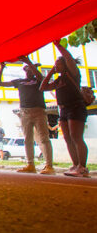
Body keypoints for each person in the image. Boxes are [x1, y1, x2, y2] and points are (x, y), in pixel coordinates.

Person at [0, 58, 54, 174]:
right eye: (26, 69)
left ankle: (49, 165)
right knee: (28, 139)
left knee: (43, 138)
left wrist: (30, 63)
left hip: (39, 110)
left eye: (31, 68)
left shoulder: (39, 80)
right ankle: (30, 164)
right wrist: (1, 68)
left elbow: (41, 79)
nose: (28, 71)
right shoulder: (20, 81)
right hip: (25, 111)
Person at [40, 40, 89, 177]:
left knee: (76, 136)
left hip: (75, 107)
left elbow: (68, 57)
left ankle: (82, 167)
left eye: (58, 63)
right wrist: (51, 71)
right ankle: (75, 164)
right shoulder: (59, 79)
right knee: (67, 138)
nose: (56, 65)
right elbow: (43, 87)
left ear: (66, 64)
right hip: (64, 110)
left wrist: (58, 45)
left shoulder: (72, 73)